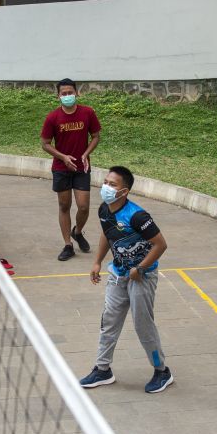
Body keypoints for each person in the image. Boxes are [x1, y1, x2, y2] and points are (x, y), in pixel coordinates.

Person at [79, 166, 172, 395]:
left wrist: (140, 268)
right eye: (106, 182)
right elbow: (106, 233)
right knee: (109, 321)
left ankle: (162, 371)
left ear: (124, 191)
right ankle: (102, 370)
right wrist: (97, 262)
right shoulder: (104, 210)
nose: (106, 187)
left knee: (143, 325)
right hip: (118, 274)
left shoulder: (138, 216)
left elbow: (161, 245)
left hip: (142, 277)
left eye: (113, 184)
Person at [41, 78, 101, 262]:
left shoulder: (87, 113)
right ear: (58, 96)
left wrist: (86, 153)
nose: (67, 96)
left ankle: (77, 231)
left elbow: (96, 136)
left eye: (70, 92)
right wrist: (63, 157)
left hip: (82, 167)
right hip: (61, 168)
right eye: (63, 93)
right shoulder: (53, 117)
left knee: (83, 206)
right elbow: (45, 144)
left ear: (77, 93)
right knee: (64, 206)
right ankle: (68, 245)